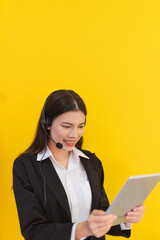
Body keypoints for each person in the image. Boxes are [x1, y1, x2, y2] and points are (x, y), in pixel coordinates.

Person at [13, 90, 145, 240]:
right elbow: (33, 231)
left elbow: (101, 213)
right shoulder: (25, 167)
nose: (74, 135)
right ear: (47, 123)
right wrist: (83, 228)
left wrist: (125, 218)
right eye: (67, 126)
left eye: (80, 126)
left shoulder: (91, 161)